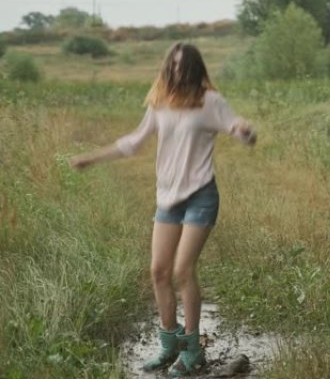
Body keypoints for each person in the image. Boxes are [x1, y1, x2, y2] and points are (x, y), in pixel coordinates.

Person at [69, 42, 256, 377]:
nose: (177, 71)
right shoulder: (159, 104)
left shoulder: (210, 101)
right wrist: (92, 158)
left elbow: (236, 126)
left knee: (183, 270)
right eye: (172, 65)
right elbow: (134, 142)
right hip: (167, 198)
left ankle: (193, 351)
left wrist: (246, 132)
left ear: (196, 70)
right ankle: (169, 347)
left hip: (200, 195)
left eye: (183, 66)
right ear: (167, 67)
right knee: (158, 271)